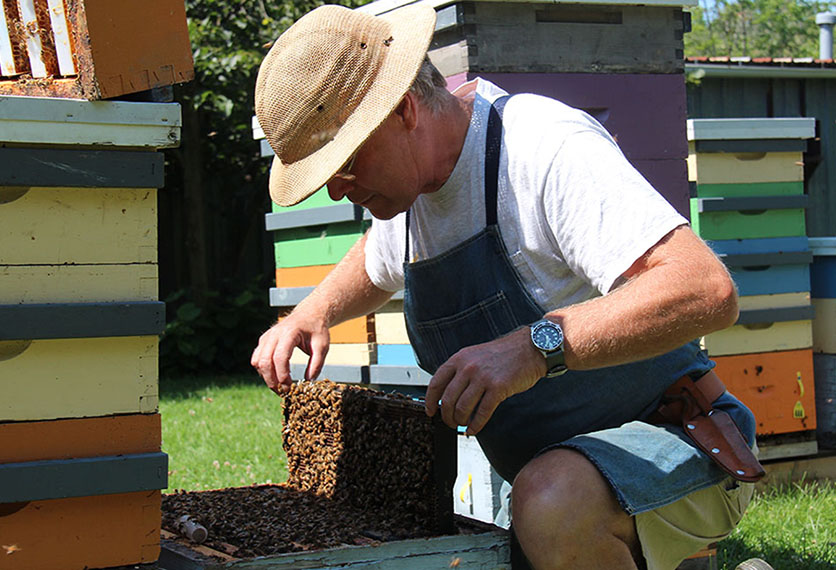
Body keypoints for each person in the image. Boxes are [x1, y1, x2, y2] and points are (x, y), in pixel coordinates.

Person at [250, 5, 767, 569]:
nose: (336, 193)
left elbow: (705, 288)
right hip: (554, 471)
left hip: (681, 440)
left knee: (552, 504)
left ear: (402, 110)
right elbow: (376, 260)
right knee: (543, 499)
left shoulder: (541, 148)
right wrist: (313, 310)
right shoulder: (411, 190)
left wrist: (533, 347)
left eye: (345, 167)